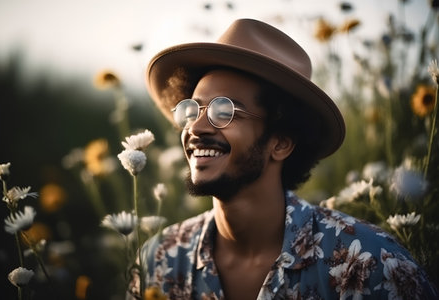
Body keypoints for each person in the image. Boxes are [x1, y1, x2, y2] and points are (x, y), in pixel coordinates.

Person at [127, 19, 437, 299]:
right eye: (190, 110)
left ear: (281, 142)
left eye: (224, 111)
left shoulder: (372, 264)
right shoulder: (159, 263)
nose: (195, 127)